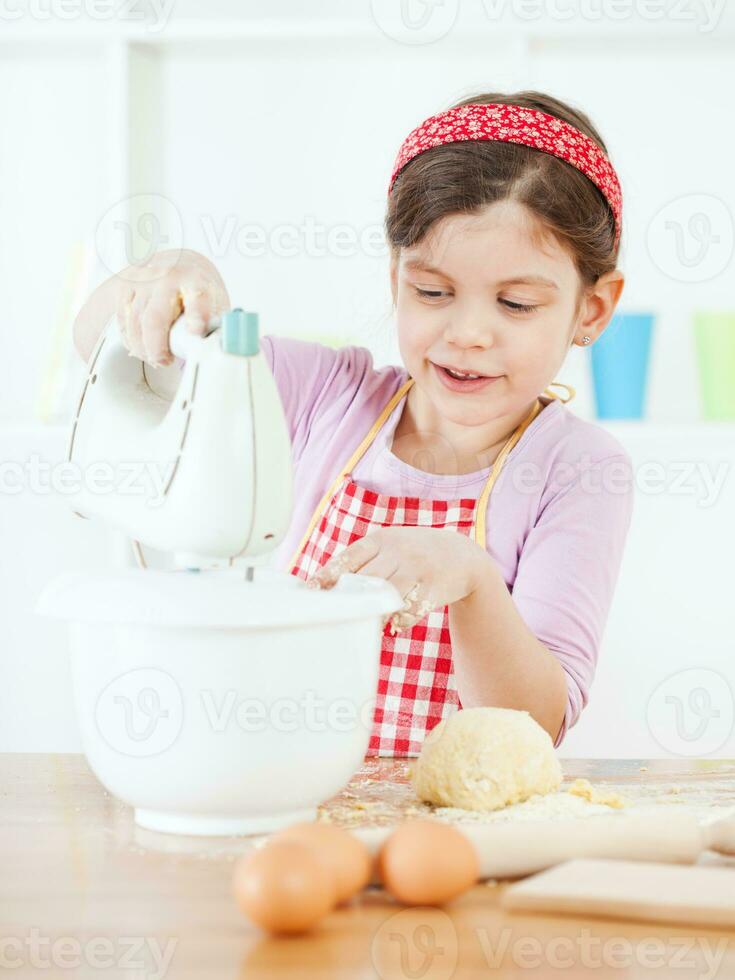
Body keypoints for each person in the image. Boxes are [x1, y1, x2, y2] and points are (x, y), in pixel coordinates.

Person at [73, 90, 635, 757]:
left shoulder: (577, 471)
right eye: (432, 292)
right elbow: (99, 342)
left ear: (592, 311)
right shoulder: (323, 396)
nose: (469, 334)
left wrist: (472, 578)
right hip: (288, 798)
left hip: (459, 834)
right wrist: (161, 282)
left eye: (515, 304)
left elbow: (536, 722)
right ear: (395, 276)